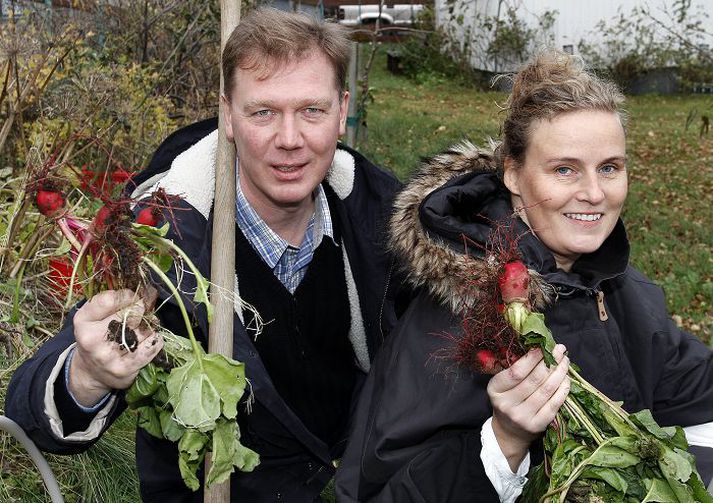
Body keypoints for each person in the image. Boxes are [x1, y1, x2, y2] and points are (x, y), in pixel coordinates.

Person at [5, 8, 403, 502]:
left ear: (342, 111)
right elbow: (29, 411)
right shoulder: (162, 238)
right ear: (228, 114)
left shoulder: (383, 219)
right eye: (263, 112)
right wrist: (89, 374)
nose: (290, 139)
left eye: (311, 111)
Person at [334, 50, 713, 502]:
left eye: (609, 167)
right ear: (513, 173)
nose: (593, 193)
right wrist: (504, 443)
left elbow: (694, 392)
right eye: (564, 169)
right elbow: (376, 491)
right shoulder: (459, 321)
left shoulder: (621, 291)